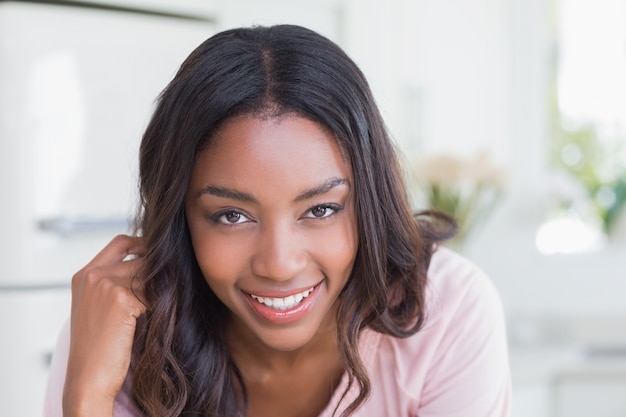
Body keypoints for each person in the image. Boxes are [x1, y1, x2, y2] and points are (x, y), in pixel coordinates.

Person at [44, 24, 511, 417]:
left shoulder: (448, 312)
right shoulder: (119, 326)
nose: (279, 264)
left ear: (369, 199)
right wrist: (86, 398)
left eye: (321, 210)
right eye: (231, 215)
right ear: (180, 218)